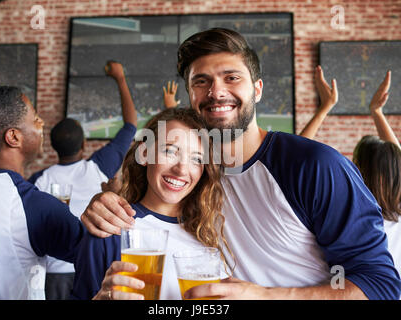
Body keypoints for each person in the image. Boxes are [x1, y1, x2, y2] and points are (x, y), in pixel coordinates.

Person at [82, 28, 401, 300]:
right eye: (201, 81)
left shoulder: (315, 165)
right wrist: (107, 202)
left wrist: (265, 295)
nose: (216, 91)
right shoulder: (199, 172)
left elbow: (381, 285)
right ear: (191, 96)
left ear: (258, 89)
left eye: (231, 77)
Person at [71, 107, 232, 300]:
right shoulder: (110, 229)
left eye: (196, 159)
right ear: (145, 153)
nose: (181, 169)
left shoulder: (214, 232)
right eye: (170, 151)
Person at [27, 61, 137, 300]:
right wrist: (120, 79)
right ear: (84, 144)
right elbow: (130, 124)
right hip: (91, 266)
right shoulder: (99, 166)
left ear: (53, 147)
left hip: (53, 275)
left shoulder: (38, 180)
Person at [0, 86, 86, 300]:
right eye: (35, 119)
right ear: (13, 137)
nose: (42, 123)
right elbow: (99, 256)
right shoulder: (33, 207)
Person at [302, 69, 401, 289]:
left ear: (358, 168)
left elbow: (293, 161)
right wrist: (377, 112)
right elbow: (396, 158)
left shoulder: (346, 207)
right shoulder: (397, 210)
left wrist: (324, 107)